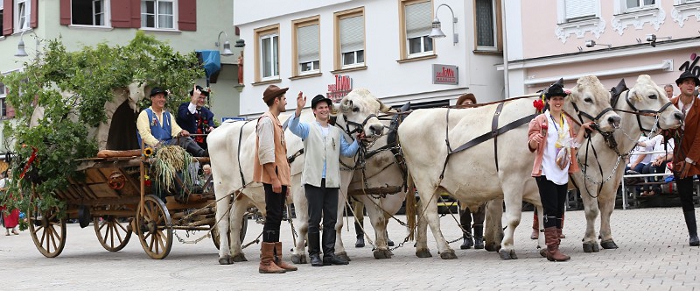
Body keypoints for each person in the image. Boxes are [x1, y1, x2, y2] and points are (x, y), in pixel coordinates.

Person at [289, 93, 360, 266]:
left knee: (331, 219)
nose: (324, 110)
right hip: (313, 181)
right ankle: (314, 254)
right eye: (320, 108)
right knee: (314, 220)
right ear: (314, 111)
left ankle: (329, 254)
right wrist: (298, 109)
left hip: (331, 181)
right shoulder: (308, 128)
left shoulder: (336, 132)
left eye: (326, 107)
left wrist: (358, 141)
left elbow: (347, 152)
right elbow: (292, 127)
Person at [528, 83, 593, 261]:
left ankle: (553, 247)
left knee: (558, 209)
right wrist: (535, 139)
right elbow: (531, 145)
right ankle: (552, 248)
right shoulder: (540, 120)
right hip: (545, 171)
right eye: (554, 99)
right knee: (549, 208)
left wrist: (581, 130)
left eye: (560, 99)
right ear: (547, 101)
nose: (558, 102)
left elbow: (573, 146)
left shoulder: (567, 121)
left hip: (562, 171)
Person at [253, 85, 297, 273]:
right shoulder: (266, 122)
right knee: (272, 217)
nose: (286, 101)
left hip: (279, 178)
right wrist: (275, 179)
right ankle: (266, 262)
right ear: (276, 100)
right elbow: (266, 154)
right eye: (284, 98)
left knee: (277, 217)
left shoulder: (275, 121)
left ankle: (276, 258)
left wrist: (284, 181)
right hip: (273, 178)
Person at [667, 71, 700, 246]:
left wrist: (690, 159)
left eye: (693, 83)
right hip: (680, 157)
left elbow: (699, 137)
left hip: (697, 155)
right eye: (686, 82)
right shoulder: (671, 106)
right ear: (679, 85)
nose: (690, 85)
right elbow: (668, 131)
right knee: (685, 196)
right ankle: (693, 234)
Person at [136, 87, 208, 157]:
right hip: (152, 148)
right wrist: (158, 144)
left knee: (185, 139)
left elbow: (175, 129)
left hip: (168, 145)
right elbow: (144, 135)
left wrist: (181, 132)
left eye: (164, 97)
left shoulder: (168, 115)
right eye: (159, 97)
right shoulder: (145, 114)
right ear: (152, 98)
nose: (162, 99)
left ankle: (202, 153)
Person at [455, 93, 486, 249]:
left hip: (478, 167)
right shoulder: (456, 124)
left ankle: (479, 238)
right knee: (463, 205)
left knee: (480, 203)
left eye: (471, 103)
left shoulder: (480, 121)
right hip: (461, 169)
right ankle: (467, 238)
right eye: (465, 103)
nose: (469, 105)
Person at [177, 85, 215, 150]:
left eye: (203, 98)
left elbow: (211, 124)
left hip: (203, 146)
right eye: (199, 97)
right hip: (187, 146)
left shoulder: (206, 112)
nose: (202, 100)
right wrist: (194, 101)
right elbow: (186, 116)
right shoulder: (184, 107)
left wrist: (211, 128)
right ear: (192, 97)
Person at [0, 171, 20, 236]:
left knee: (14, 214)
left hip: (13, 198)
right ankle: (7, 230)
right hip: (6, 199)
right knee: (6, 214)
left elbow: (18, 189)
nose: (10, 172)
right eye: (8, 171)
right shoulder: (4, 180)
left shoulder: (15, 180)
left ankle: (14, 229)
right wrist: (7, 189)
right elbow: (0, 188)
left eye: (11, 171)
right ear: (7, 173)